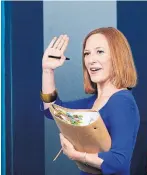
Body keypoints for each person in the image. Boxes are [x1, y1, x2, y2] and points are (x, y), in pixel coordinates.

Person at [40, 27, 140, 175]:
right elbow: (51, 110)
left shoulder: (122, 102)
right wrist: (47, 70)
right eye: (87, 53)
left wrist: (76, 155)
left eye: (100, 51)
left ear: (118, 56)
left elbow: (119, 163)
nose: (91, 60)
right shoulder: (92, 103)